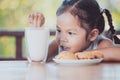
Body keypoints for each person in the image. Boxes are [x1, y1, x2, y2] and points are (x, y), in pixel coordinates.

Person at [28, 0, 120, 61]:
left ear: (92, 35)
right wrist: (36, 30)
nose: (62, 38)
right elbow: (38, 57)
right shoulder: (60, 45)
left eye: (70, 33)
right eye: (59, 30)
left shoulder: (100, 45)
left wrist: (87, 54)